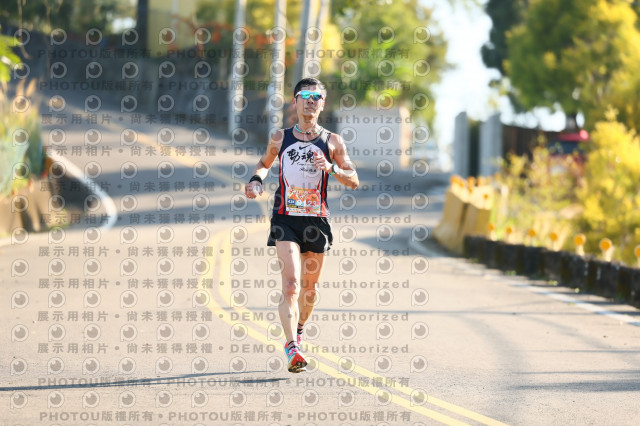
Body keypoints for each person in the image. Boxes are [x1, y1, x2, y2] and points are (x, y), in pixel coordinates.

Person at [245, 77, 359, 373]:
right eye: (304, 95)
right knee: (292, 284)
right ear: (294, 102)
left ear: (322, 104)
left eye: (316, 96)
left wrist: (331, 168)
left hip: (316, 221)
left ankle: (298, 329)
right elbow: (263, 164)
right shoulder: (280, 138)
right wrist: (256, 180)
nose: (310, 100)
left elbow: (354, 180)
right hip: (285, 219)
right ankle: (291, 346)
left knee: (309, 291)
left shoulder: (333, 142)